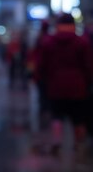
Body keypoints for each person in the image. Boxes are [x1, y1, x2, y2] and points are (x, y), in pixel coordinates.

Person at [38, 13, 92, 156]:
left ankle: (57, 143)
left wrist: (41, 79)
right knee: (78, 118)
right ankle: (79, 145)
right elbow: (88, 66)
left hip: (55, 85)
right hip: (78, 86)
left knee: (57, 116)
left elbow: (42, 65)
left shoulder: (48, 42)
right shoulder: (82, 42)